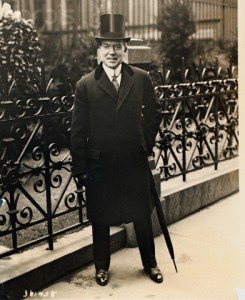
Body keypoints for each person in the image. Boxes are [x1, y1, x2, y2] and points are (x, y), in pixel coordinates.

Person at [71, 13, 163, 286]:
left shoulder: (141, 78)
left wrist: (144, 143)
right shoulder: (86, 85)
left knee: (142, 215)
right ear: (99, 51)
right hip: (101, 165)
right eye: (107, 47)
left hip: (134, 161)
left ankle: (151, 264)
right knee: (100, 217)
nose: (112, 52)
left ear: (125, 49)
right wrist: (81, 167)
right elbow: (78, 131)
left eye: (118, 46)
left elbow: (155, 113)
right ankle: (101, 266)